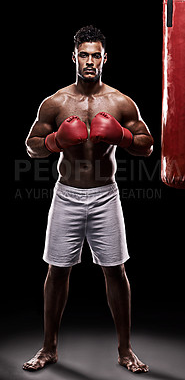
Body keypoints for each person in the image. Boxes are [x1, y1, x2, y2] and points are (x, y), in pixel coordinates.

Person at [23, 25, 153, 374]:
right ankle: (48, 348)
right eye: (84, 54)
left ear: (105, 58)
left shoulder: (120, 101)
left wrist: (123, 136)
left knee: (115, 269)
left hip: (104, 196)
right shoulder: (56, 102)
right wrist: (53, 142)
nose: (90, 61)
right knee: (58, 269)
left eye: (96, 55)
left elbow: (147, 145)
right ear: (74, 57)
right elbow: (31, 146)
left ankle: (125, 350)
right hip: (66, 194)